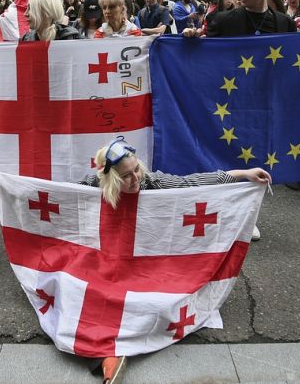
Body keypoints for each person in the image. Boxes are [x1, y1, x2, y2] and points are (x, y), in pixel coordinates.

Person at [78, 136, 271, 384]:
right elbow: (59, 195)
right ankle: (110, 354)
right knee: (84, 298)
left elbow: (194, 182)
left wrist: (242, 174)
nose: (135, 178)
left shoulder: (152, 183)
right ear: (111, 179)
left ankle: (111, 352)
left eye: (136, 169)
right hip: (106, 263)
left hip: (145, 267)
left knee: (155, 304)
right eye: (126, 176)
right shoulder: (93, 186)